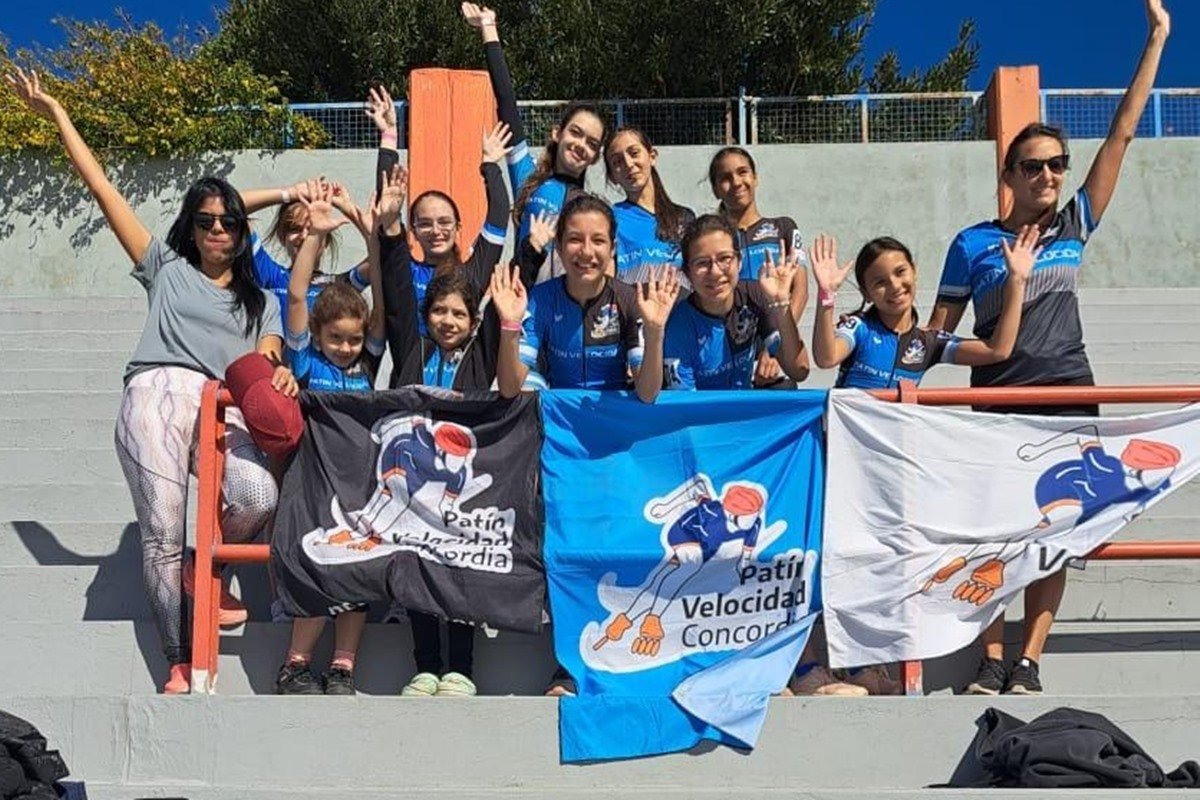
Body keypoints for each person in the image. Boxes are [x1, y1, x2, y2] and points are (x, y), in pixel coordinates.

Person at [7, 68, 294, 695]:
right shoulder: (165, 267)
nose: (217, 230)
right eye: (205, 220)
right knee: (162, 530)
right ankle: (178, 659)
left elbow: (269, 357)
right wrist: (58, 114)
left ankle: (200, 569)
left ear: (242, 232)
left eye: (228, 222)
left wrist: (278, 370)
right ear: (190, 227)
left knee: (256, 497)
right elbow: (101, 187)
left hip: (222, 404)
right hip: (157, 393)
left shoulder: (262, 301)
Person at [927, 0, 1171, 696]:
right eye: (1033, 167)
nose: (1049, 176)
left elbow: (1123, 132)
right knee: (997, 532)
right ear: (1009, 176)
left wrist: (1157, 38)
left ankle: (1029, 660)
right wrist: (976, 350)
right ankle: (991, 657)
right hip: (998, 400)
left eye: (1058, 165)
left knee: (1055, 529)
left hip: (1068, 392)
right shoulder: (973, 243)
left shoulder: (1073, 225)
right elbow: (936, 334)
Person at [273, 186, 386, 696]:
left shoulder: (367, 361)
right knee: (316, 568)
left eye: (353, 339)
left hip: (360, 485)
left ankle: (342, 667)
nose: (345, 347)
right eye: (336, 338)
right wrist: (315, 236)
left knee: (355, 573)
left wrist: (371, 234)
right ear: (317, 337)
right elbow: (297, 296)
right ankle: (295, 665)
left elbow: (381, 294)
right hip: (314, 484)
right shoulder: (306, 361)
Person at [463, 2, 607, 281]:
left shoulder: (589, 206)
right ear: (557, 133)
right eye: (576, 133)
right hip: (522, 299)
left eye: (592, 143)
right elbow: (506, 103)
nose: (581, 145)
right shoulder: (528, 178)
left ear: (595, 156)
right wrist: (488, 28)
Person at [492, 194, 678, 401]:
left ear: (612, 249)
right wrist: (509, 326)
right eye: (575, 239)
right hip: (560, 410)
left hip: (612, 409)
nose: (587, 252)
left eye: (598, 241)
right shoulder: (540, 298)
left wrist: (655, 332)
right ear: (559, 247)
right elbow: (509, 389)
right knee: (528, 387)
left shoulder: (628, 299)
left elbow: (647, 394)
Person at [366, 82, 513, 337]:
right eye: (424, 223)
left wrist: (490, 164)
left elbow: (499, 213)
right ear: (413, 231)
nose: (436, 231)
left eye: (445, 222)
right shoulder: (404, 271)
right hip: (409, 363)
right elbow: (387, 202)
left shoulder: (473, 273)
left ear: (458, 227)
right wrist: (389, 135)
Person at [810, 229, 1037, 389]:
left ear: (914, 272)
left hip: (892, 443)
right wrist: (826, 295)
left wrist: (1016, 281)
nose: (895, 286)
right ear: (866, 293)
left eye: (900, 272)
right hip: (845, 440)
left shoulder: (929, 343)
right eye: (880, 282)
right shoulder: (859, 327)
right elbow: (826, 358)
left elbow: (997, 350)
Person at [656, 214, 809, 393]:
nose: (715, 272)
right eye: (702, 263)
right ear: (687, 273)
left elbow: (799, 370)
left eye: (724, 258)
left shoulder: (754, 296)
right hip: (704, 409)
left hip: (743, 402)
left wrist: (781, 303)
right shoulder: (680, 325)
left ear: (739, 262)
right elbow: (684, 402)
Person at [707, 146, 808, 387]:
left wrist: (776, 347)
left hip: (775, 354)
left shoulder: (784, 227)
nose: (736, 182)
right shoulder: (712, 239)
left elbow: (800, 291)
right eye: (725, 178)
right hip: (728, 353)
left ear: (755, 178)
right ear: (715, 189)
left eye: (743, 172)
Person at [239, 178, 372, 333]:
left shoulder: (340, 285)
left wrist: (348, 209)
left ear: (326, 240)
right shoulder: (271, 275)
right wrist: (289, 194)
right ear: (282, 237)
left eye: (313, 229)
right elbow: (228, 208)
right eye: (295, 229)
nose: (304, 236)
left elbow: (382, 257)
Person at [604, 127, 695, 284]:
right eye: (617, 161)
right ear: (612, 176)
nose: (628, 164)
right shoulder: (610, 219)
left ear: (652, 156)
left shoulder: (684, 217)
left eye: (634, 153)